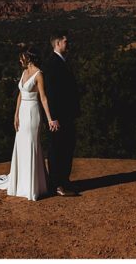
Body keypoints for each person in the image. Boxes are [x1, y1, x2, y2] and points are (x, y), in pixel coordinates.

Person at [0, 49, 53, 200]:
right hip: (22, 112)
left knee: (32, 145)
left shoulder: (39, 74)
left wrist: (49, 118)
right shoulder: (24, 72)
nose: (20, 61)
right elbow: (20, 95)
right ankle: (21, 182)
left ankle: (33, 187)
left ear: (29, 58)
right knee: (21, 146)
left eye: (22, 59)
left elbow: (43, 98)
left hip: (33, 113)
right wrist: (15, 115)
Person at [42, 30, 80, 197]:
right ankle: (57, 185)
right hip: (58, 118)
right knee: (57, 149)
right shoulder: (52, 64)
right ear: (57, 43)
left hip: (67, 115)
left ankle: (64, 181)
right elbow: (51, 94)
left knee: (66, 147)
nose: (68, 43)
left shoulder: (62, 61)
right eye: (65, 41)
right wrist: (53, 118)